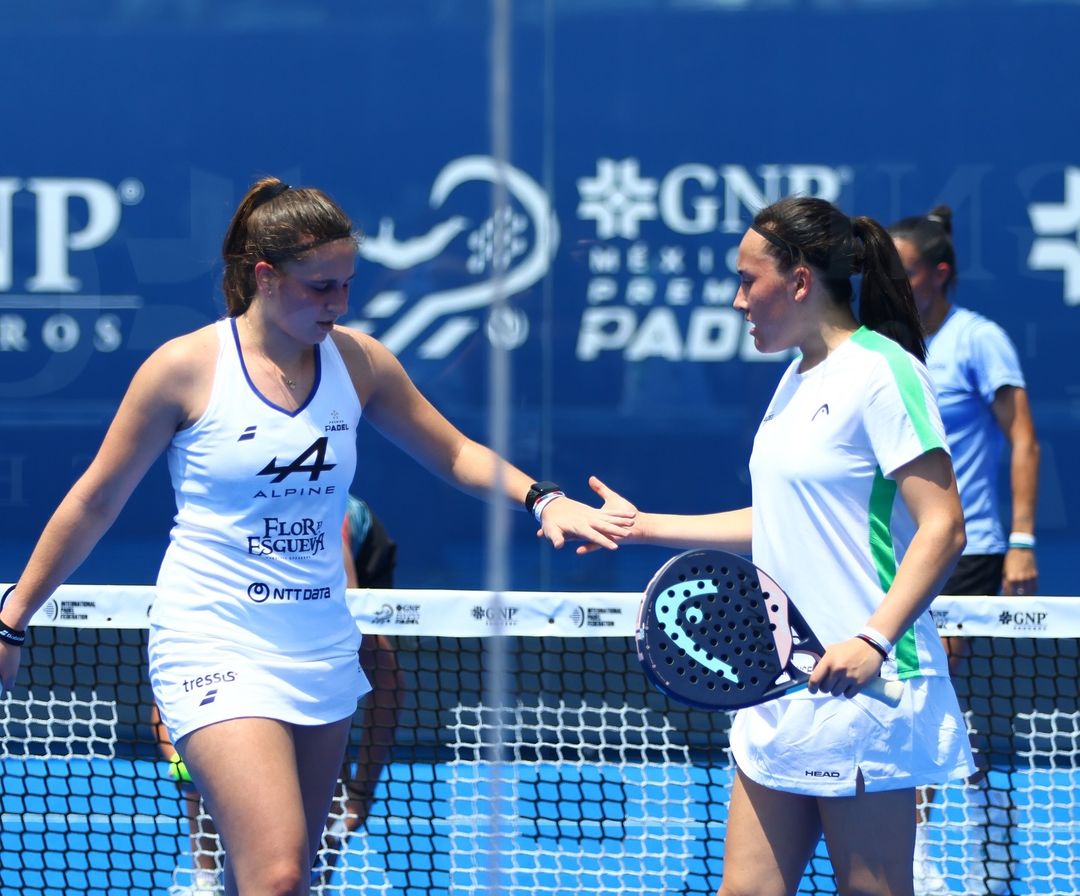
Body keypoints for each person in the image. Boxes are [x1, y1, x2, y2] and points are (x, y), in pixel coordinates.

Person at [0, 177, 633, 896]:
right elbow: (94, 500)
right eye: (321, 287)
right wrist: (12, 619)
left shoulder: (360, 362)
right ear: (265, 277)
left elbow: (454, 451)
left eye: (347, 285)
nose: (339, 304)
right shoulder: (183, 369)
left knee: (287, 878)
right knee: (276, 874)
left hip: (319, 645)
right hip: (212, 637)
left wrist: (542, 498)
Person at [582, 196, 976, 896]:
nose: (737, 301)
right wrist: (643, 526)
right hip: (781, 684)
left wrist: (872, 640)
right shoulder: (794, 378)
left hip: (869, 689)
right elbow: (778, 517)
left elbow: (943, 524)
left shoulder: (884, 371)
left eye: (747, 281)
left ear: (799, 281)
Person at [890, 206, 1040, 895]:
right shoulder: (883, 345)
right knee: (909, 693)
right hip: (894, 548)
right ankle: (917, 840)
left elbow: (1023, 439)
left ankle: (918, 853)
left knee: (926, 687)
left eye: (907, 270)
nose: (895, 282)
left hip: (966, 548)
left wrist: (1021, 541)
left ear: (940, 272)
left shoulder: (980, 340)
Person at [152, 494, 401, 896]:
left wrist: (360, 793)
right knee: (203, 769)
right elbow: (170, 690)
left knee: (319, 800)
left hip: (356, 559)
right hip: (240, 612)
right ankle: (203, 881)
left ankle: (316, 882)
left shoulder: (341, 596)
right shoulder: (211, 570)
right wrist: (184, 761)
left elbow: (387, 683)